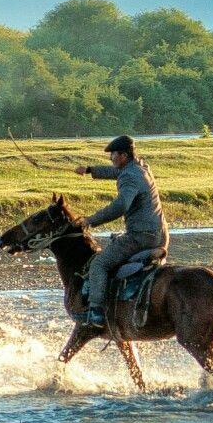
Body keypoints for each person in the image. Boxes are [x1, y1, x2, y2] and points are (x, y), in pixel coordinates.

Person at [73, 134, 165, 329]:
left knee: (99, 264)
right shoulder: (139, 167)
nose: (111, 159)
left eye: (113, 155)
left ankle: (96, 312)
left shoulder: (129, 176)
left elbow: (121, 205)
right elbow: (116, 172)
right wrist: (90, 170)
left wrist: (90, 220)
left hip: (140, 237)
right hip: (159, 234)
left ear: (123, 155)